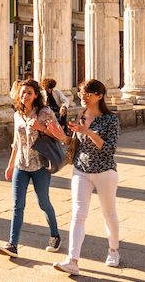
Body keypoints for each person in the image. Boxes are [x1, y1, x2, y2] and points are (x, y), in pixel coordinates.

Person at [55, 80, 122, 274]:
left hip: (105, 172)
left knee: (109, 214)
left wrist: (88, 132)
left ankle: (113, 250)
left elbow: (109, 149)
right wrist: (60, 135)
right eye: (81, 93)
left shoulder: (111, 119)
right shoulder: (81, 114)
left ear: (99, 96)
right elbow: (75, 143)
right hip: (81, 170)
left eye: (87, 94)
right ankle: (72, 260)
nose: (82, 97)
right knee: (78, 214)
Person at [0, 79, 66, 258]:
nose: (25, 95)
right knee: (17, 205)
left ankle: (55, 235)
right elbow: (16, 143)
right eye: (22, 92)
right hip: (22, 164)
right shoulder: (17, 114)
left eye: (29, 92)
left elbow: (60, 136)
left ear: (36, 95)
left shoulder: (45, 112)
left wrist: (40, 127)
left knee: (43, 202)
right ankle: (13, 244)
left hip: (40, 166)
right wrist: (10, 165)